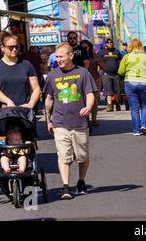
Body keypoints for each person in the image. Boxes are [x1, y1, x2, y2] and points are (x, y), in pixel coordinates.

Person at [44, 43, 96, 199]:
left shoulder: (82, 73)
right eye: (56, 57)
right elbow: (49, 99)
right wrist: (48, 119)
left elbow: (90, 94)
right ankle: (66, 186)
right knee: (63, 154)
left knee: (83, 156)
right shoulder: (52, 75)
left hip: (80, 122)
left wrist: (88, 107)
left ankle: (81, 181)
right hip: (60, 121)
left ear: (71, 56)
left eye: (61, 56)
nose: (58, 59)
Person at [0, 32, 41, 110]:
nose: (15, 49)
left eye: (17, 46)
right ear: (2, 48)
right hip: (5, 111)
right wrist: (8, 101)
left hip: (24, 111)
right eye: (11, 47)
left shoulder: (26, 64)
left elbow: (36, 88)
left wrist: (30, 104)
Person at [118, 39, 146, 136]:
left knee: (134, 108)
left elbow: (121, 71)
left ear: (130, 46)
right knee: (145, 105)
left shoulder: (126, 56)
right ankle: (144, 125)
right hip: (144, 82)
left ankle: (136, 130)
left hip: (130, 82)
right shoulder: (145, 57)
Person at [80, 40, 106, 126]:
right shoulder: (78, 55)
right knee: (82, 99)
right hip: (81, 80)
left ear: (89, 47)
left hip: (95, 79)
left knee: (95, 100)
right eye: (82, 48)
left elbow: (103, 67)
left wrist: (100, 62)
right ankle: (83, 118)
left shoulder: (94, 55)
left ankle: (94, 119)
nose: (84, 49)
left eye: (86, 47)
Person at [98, 38, 123, 112]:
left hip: (116, 74)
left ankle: (117, 103)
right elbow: (98, 62)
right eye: (108, 42)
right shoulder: (101, 52)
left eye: (111, 42)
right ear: (105, 43)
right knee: (108, 90)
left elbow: (120, 62)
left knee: (117, 91)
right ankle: (109, 105)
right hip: (106, 74)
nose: (109, 43)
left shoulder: (117, 51)